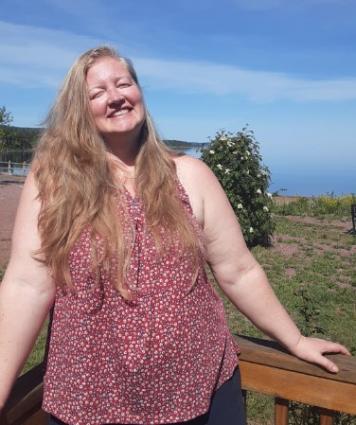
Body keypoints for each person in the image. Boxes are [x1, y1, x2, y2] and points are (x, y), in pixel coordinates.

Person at [0, 46, 350, 425]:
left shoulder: (189, 175)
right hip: (91, 400)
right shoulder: (53, 182)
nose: (115, 97)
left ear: (140, 93)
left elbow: (239, 270)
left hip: (202, 392)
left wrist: (295, 340)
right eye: (97, 93)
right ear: (78, 109)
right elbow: (25, 286)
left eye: (124, 83)